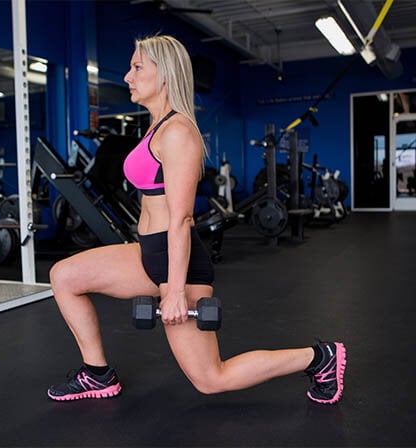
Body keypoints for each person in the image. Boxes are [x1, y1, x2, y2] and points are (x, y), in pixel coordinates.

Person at [46, 35, 345, 404]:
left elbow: (182, 218)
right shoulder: (156, 127)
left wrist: (173, 290)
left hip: (176, 264)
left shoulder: (178, 133)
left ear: (166, 74)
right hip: (149, 252)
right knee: (64, 275)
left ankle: (319, 358)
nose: (127, 76)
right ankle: (97, 374)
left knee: (210, 379)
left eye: (138, 67)